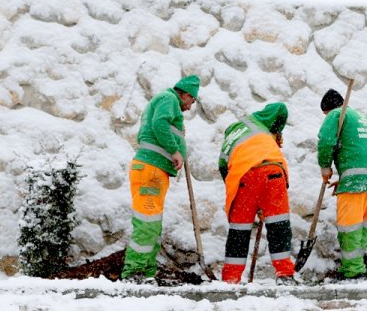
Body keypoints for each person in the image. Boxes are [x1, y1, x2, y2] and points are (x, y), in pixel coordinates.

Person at [121, 75, 200, 284]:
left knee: (152, 224)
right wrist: (175, 150)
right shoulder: (168, 98)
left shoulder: (167, 101)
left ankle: (146, 272)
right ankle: (133, 272)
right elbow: (159, 124)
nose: (192, 105)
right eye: (193, 99)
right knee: (147, 224)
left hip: (153, 171)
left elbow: (163, 125)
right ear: (185, 94)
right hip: (150, 169)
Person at [218, 102, 297, 285]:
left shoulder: (229, 141)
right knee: (279, 226)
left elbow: (224, 170)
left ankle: (231, 278)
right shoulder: (259, 126)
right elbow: (281, 108)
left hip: (244, 178)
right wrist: (277, 131)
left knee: (239, 231)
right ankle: (285, 274)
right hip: (274, 173)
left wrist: (243, 195)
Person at [317, 88, 367, 282]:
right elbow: (361, 149)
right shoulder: (364, 119)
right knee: (362, 227)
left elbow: (326, 141)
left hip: (356, 181)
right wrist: (346, 177)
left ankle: (353, 272)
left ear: (328, 109)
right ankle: (357, 267)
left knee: (349, 226)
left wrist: (325, 168)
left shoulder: (337, 114)